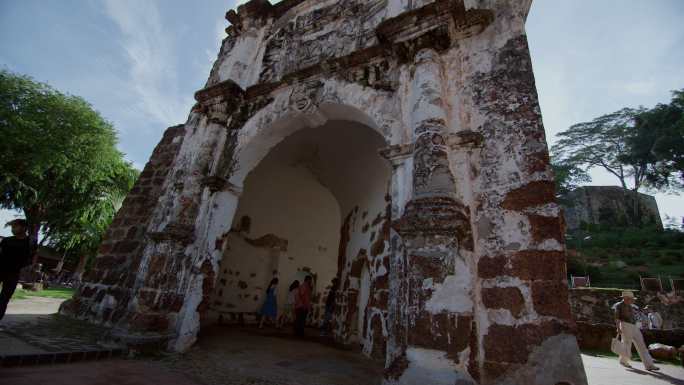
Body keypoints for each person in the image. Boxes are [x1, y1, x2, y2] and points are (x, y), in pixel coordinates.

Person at [613, 291, 659, 371]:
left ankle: (649, 365)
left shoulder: (631, 306)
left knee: (641, 344)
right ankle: (624, 361)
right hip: (625, 325)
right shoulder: (619, 305)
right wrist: (618, 328)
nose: (632, 300)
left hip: (634, 326)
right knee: (627, 344)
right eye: (631, 299)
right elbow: (617, 318)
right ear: (626, 298)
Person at [0, 219, 35, 321]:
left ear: (24, 228)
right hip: (1, 269)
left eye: (15, 226)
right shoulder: (7, 240)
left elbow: (31, 258)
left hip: (14, 274)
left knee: (4, 299)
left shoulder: (30, 242)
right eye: (12, 227)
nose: (12, 229)